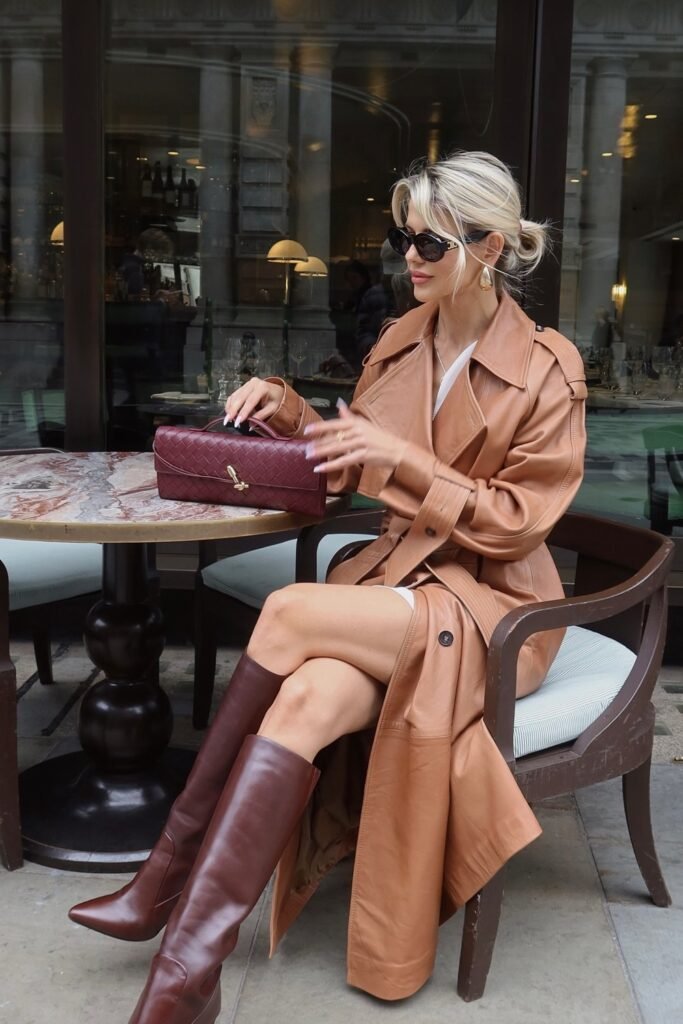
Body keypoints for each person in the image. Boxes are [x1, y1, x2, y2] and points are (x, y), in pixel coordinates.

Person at [69, 150, 587, 1023]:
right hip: (396, 586)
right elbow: (353, 467)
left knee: (287, 608)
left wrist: (410, 469)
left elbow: (516, 522)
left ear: (490, 247)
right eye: (400, 236)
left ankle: (163, 878)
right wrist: (290, 415)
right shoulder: (399, 340)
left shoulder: (547, 366)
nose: (407, 256)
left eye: (429, 239)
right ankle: (188, 975)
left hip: (496, 607)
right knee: (306, 696)